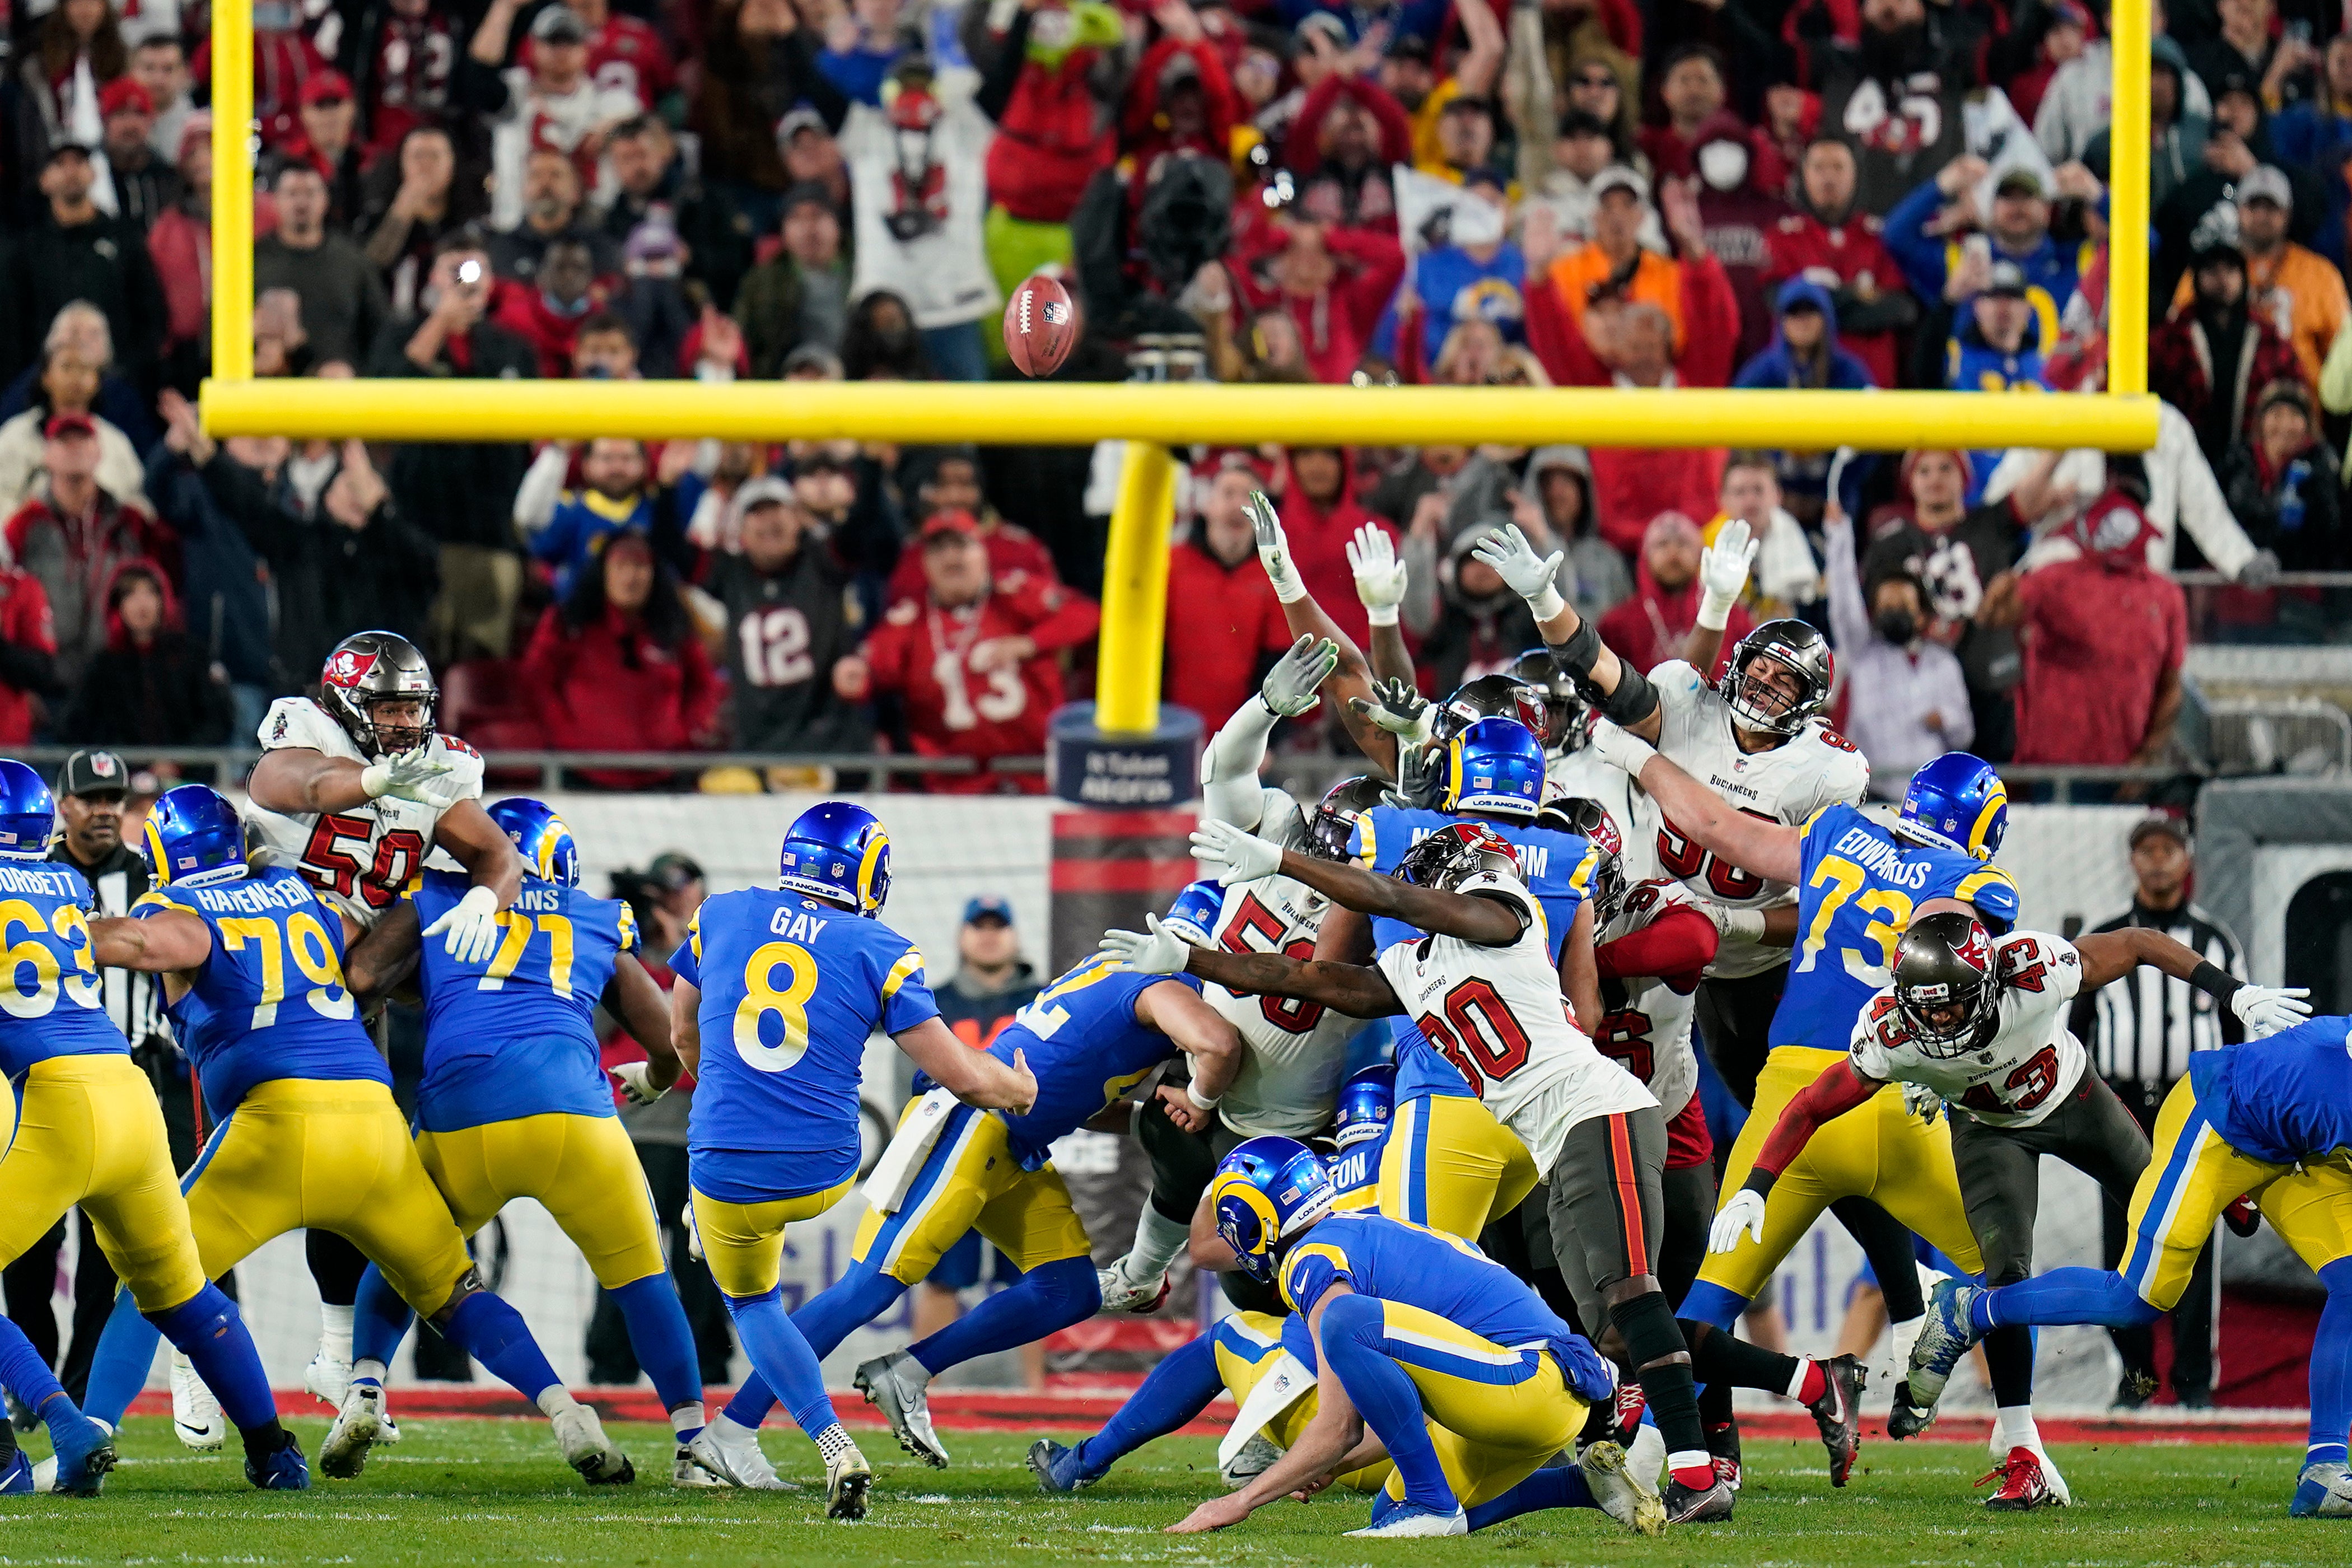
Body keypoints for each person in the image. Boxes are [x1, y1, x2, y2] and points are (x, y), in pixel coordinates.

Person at [77, 785, 632, 1487]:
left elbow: (145, 940)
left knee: (150, 1277)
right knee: (455, 1295)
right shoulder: (299, 895)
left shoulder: (181, 911)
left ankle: (93, 1430)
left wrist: (56, 929)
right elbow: (367, 960)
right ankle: (565, 1410)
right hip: (374, 1123)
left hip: (276, 1126)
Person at [1716, 911, 2304, 1506]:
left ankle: (2211, 1184)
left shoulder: (2032, 967)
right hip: (1991, 1133)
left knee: (2177, 1227)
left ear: (1992, 980)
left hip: (2075, 1099)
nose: (1940, 1020)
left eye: (1953, 1003)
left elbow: (2137, 942)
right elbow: (1810, 1105)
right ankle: (2024, 1451)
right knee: (2003, 1277)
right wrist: (1756, 1185)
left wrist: (2234, 993)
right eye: (1928, 1006)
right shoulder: (1890, 1029)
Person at [337, 800, 766, 1489]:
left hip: (464, 1113)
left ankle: (362, 1388)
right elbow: (667, 1048)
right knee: (645, 1282)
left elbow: (362, 976)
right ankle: (693, 1443)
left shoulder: (440, 894)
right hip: (576, 1118)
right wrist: (652, 1082)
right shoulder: (596, 915)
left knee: (404, 1255)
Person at [670, 802, 1044, 1512]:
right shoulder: (882, 947)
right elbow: (964, 1076)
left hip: (724, 1159)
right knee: (756, 1262)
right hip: (826, 1167)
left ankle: (827, 1437)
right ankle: (782, 1441)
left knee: (752, 1301)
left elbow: (683, 1032)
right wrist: (1019, 1086)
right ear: (866, 872)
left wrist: (721, 1100)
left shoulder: (719, 914)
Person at [1905, 1013, 2352, 1520]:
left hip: (2299, 1144)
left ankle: (2324, 1472)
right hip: (2217, 1122)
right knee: (2137, 1299)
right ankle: (1970, 1309)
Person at [0, 761, 288, 1496]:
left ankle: (54, 1434)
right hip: (129, 1096)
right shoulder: (67, 886)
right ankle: (274, 1451)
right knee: (182, 1292)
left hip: (51, 1104)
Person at [1163, 1142, 1650, 1538]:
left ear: (1253, 1218)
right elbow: (1399, 1407)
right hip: (1542, 1397)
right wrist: (1340, 1463)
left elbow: (1338, 1427)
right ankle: (1583, 1485)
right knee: (1390, 1515)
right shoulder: (1362, 1230)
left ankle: (1429, 1502)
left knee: (1346, 1322)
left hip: (1524, 1384)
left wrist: (1238, 1502)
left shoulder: (1311, 1260)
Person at [2, 752, 162, 1410]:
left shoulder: (135, 877)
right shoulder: (66, 885)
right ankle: (266, 1440)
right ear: (58, 809)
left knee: (102, 1261)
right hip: (121, 1086)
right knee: (169, 1275)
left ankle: (61, 1399)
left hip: (67, 1082)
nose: (103, 809)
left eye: (114, 799)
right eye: (89, 797)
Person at [2073, 815, 2248, 1410]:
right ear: (2132, 860)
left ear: (2188, 857)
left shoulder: (2216, 941)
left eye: (2167, 849)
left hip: (2193, 1109)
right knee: (2122, 1245)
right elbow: (2077, 1037)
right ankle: (2136, 1380)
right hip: (2120, 1108)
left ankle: (2196, 1384)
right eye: (2146, 850)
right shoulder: (2102, 937)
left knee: (2194, 1243)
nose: (2156, 861)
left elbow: (2237, 1035)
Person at [366, 235, 538, 662]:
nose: (465, 282)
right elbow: (382, 405)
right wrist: (439, 322)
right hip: (416, 531)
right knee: (410, 662)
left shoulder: (513, 348)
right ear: (432, 278)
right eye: (454, 270)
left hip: (490, 532)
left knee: (483, 665)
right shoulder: (402, 335)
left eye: (475, 271)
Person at [857, 511, 1100, 794]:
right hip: (953, 787)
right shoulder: (911, 620)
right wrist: (855, 677)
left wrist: (1030, 643)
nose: (951, 558)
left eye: (961, 546)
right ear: (924, 564)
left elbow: (1087, 614)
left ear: (983, 553)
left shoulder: (1013, 593)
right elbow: (871, 670)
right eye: (938, 550)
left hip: (1036, 776)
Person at [908, 895, 1043, 1379]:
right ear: (962, 936)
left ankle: (1039, 1396)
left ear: (1015, 935)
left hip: (1023, 1152)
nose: (989, 935)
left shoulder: (1043, 999)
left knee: (1035, 1278)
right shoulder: (934, 1001)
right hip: (950, 1153)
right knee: (942, 1277)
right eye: (979, 926)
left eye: (999, 926)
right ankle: (918, 1389)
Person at [520, 530, 722, 787]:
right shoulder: (568, 623)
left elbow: (704, 685)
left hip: (664, 778)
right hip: (583, 777)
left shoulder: (674, 627)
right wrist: (565, 735)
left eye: (640, 567)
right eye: (621, 566)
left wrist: (687, 733)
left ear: (654, 575)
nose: (630, 578)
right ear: (603, 572)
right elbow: (535, 681)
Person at [1864, 449, 2026, 760]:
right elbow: (1873, 618)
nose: (1935, 478)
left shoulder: (1990, 523)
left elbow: (2032, 496)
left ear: (1965, 478)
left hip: (1991, 684)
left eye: (1945, 468)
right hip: (1921, 695)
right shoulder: (1889, 544)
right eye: (1924, 471)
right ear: (1909, 482)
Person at [2013, 491, 2190, 771]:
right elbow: (1998, 616)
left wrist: (2146, 758)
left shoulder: (2166, 596)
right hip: (2050, 762)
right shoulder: (2052, 580)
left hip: (2124, 768)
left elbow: (2171, 686)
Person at [4, 413, 171, 691]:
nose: (75, 449)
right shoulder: (24, 525)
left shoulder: (130, 522)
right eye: (64, 441)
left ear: (99, 452)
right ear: (46, 455)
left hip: (118, 683)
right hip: (42, 681)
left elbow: (162, 592)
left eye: (83, 440)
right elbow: (9, 602)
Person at [1822, 499, 1971, 791]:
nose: (1894, 611)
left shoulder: (1944, 664)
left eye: (1902, 604)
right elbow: (1843, 603)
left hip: (1928, 794)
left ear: (1921, 617)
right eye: (1887, 605)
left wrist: (1945, 719)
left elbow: (1965, 734)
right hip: (1870, 789)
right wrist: (1839, 536)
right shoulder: (1862, 653)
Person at [459, 0, 638, 235]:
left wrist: (617, 129)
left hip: (593, 233)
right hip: (517, 231)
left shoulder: (611, 104)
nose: (561, 51)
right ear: (534, 48)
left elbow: (657, 137)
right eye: (553, 42)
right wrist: (504, 8)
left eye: (570, 42)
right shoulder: (516, 93)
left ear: (586, 50)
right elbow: (477, 80)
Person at [2, 143, 167, 394]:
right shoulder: (26, 251)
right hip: (46, 390)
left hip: (116, 386)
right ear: (44, 180)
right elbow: (13, 327)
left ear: (94, 173)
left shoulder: (125, 239)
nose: (71, 171)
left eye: (79, 162)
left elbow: (150, 313)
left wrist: (129, 373)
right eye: (60, 164)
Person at [2167, 165, 2345, 387]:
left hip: (2300, 409)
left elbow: (2343, 354)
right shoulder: (2210, 268)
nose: (2262, 216)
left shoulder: (2320, 275)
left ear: (2287, 214)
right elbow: (2176, 336)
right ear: (2239, 210)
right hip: (2225, 399)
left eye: (2271, 208)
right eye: (2254, 206)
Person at [1762, 136, 1916, 391]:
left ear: (1855, 176)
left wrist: (1813, 305)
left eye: (1838, 167)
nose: (1829, 178)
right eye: (1819, 168)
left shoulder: (1881, 237)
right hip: (1801, 394)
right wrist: (1857, 295)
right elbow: (1777, 302)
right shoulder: (1781, 238)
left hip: (1872, 393)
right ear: (1804, 176)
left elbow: (1900, 310)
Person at [2151, 213, 2306, 468]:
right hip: (2183, 462)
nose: (2223, 280)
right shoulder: (2171, 339)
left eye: (2231, 270)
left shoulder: (2270, 339)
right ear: (2197, 277)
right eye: (2212, 270)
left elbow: (2295, 397)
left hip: (2255, 469)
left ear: (2243, 276)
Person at [1163, 458, 1295, 732]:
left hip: (1242, 736)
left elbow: (1279, 667)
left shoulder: (1276, 577)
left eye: (1249, 496)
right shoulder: (1171, 564)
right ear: (1208, 505)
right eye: (1228, 493)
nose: (1238, 505)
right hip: (1171, 731)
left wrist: (1263, 738)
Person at [57, 559, 231, 745]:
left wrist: (179, 760)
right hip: (123, 770)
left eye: (150, 593)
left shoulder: (190, 655)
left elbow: (217, 720)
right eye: (130, 594)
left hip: (185, 771)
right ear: (118, 605)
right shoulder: (103, 665)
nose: (142, 604)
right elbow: (74, 725)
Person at [254, 160, 389, 369]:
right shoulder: (252, 260)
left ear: (325, 200)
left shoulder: (352, 262)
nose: (301, 203)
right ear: (276, 201)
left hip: (340, 392)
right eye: (292, 194)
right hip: (267, 388)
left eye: (310, 194)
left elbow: (380, 332)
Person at [2220, 377, 2346, 569]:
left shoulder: (2323, 466)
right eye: (2276, 414)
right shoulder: (2236, 463)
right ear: (2261, 422)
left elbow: (2332, 535)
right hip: (2244, 576)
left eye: (2295, 414)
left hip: (2304, 582)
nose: (2286, 425)